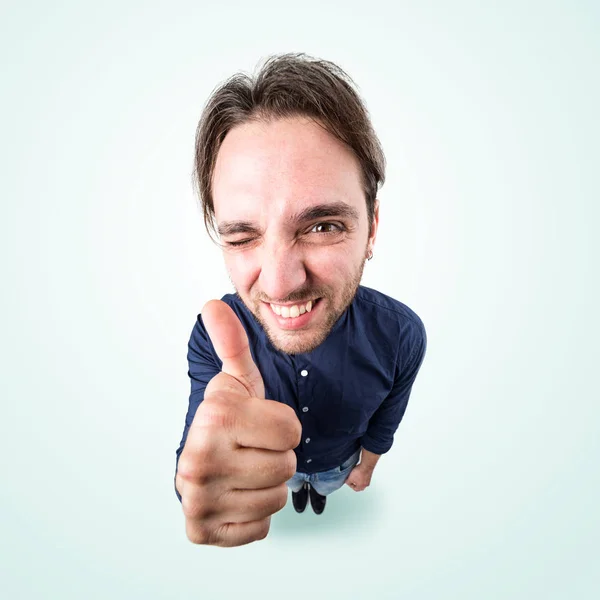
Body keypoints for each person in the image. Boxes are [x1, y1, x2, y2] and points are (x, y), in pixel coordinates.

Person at [174, 52, 427, 547]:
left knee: (322, 486)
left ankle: (319, 490)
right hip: (283, 473)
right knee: (296, 486)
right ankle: (301, 490)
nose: (282, 283)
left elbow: (388, 413)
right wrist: (198, 487)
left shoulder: (402, 333)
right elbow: (204, 449)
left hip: (339, 467)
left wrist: (368, 463)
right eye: (243, 236)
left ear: (371, 228)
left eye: (323, 226)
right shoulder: (216, 335)